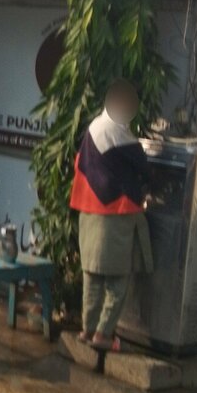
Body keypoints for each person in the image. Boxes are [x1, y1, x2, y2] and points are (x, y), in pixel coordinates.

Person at [69, 78, 153, 351]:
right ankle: (104, 335)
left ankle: (87, 331)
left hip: (88, 213)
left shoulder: (93, 128)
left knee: (92, 277)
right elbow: (143, 165)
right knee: (117, 282)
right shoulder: (118, 133)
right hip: (114, 215)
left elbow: (78, 163)